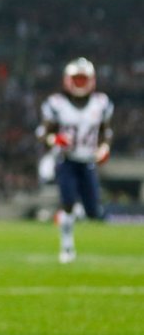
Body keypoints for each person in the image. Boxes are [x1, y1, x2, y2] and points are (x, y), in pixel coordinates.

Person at [36, 58, 113, 263]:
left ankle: (78, 211)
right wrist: (55, 139)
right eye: (76, 79)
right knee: (68, 200)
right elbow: (43, 132)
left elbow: (106, 132)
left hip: (88, 161)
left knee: (93, 212)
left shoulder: (101, 103)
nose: (79, 83)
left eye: (83, 79)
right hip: (66, 159)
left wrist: (104, 148)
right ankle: (67, 245)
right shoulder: (57, 103)